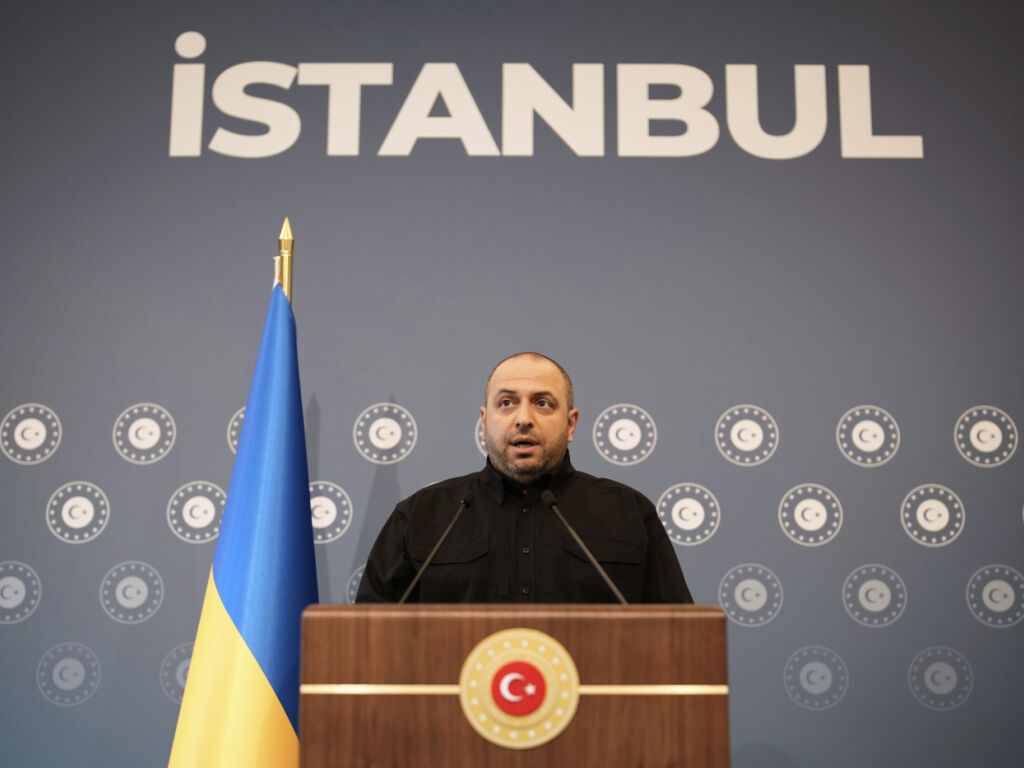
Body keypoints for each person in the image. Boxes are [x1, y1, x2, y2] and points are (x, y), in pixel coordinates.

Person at [356, 352, 693, 603]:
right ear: (484, 422)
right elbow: (368, 639)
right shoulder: (422, 516)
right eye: (507, 403)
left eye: (543, 403)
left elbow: (678, 640)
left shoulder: (629, 513)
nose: (523, 419)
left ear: (571, 424)